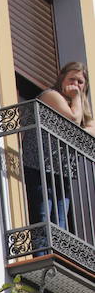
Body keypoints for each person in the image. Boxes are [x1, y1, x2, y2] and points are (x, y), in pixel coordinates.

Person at [24, 62, 95, 229]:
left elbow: (92, 130)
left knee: (60, 225)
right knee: (44, 218)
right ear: (62, 79)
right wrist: (76, 98)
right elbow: (73, 120)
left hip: (62, 173)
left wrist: (80, 123)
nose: (75, 85)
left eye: (80, 82)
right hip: (38, 167)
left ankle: (52, 248)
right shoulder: (51, 95)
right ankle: (42, 247)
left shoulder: (81, 109)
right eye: (72, 79)